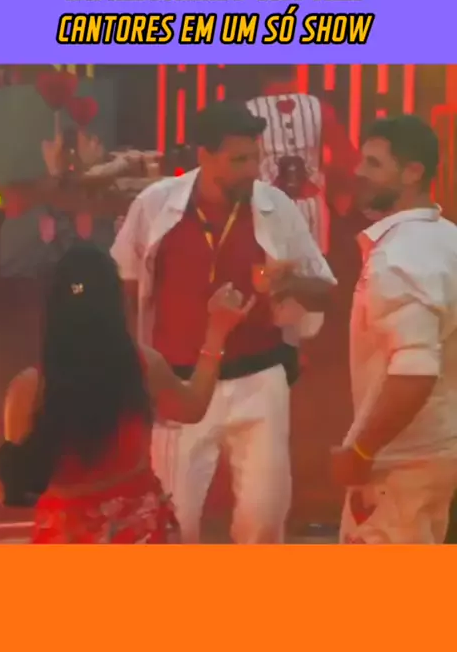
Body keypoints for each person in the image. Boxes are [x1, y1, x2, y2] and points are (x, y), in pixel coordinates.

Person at [111, 100, 337, 544]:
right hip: (179, 382)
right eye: (238, 160)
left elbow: (325, 290)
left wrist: (288, 282)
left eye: (255, 157)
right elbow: (126, 282)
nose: (252, 170)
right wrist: (135, 366)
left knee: (264, 519)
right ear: (204, 155)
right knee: (176, 521)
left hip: (260, 378)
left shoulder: (276, 207)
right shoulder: (155, 205)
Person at [0, 243, 254, 544]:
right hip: (139, 531)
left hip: (66, 537)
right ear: (114, 304)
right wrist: (216, 332)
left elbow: (12, 485)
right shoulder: (143, 366)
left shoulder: (28, 389)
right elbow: (193, 407)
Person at [331, 115, 457, 544]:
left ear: (412, 172)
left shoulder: (400, 257)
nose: (358, 172)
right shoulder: (446, 239)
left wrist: (361, 451)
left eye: (373, 164)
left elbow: (414, 374)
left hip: (400, 465)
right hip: (432, 452)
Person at [246, 80, 359, 255]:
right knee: (314, 267)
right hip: (311, 205)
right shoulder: (318, 107)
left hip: (266, 204)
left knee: (270, 266)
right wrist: (339, 200)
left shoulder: (248, 111)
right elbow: (345, 159)